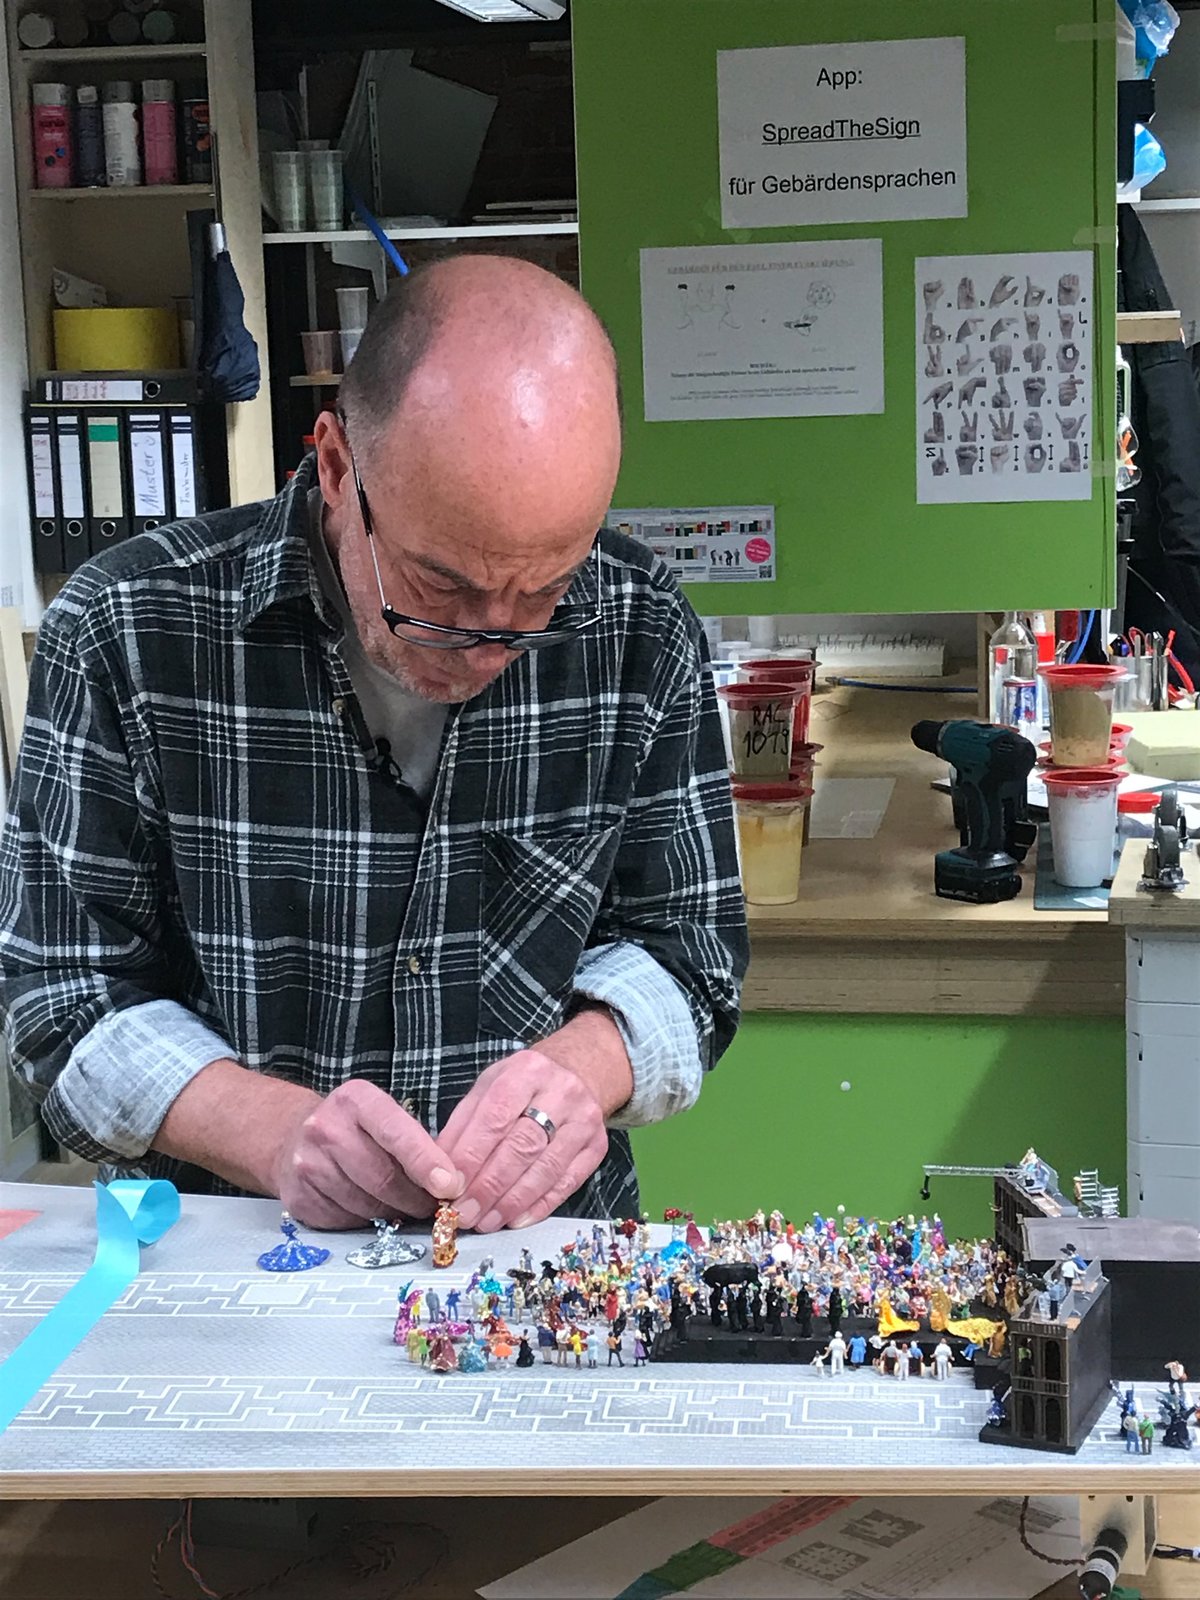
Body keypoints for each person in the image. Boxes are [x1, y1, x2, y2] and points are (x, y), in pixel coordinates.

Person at [0, 255, 748, 1232]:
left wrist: (584, 1065)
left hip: (528, 1250)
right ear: (336, 466)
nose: (491, 642)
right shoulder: (126, 631)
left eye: (545, 589)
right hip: (235, 1247)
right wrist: (273, 1132)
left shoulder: (640, 624)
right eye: (442, 586)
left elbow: (691, 954)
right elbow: (63, 997)